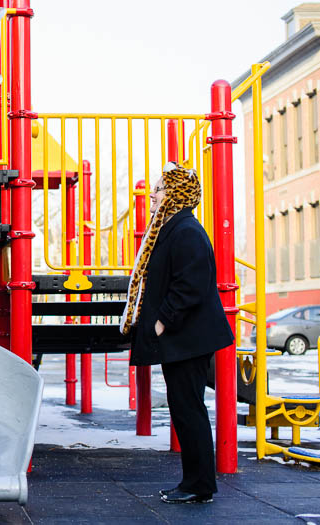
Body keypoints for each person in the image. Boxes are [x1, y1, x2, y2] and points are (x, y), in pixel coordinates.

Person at [120, 162, 233, 504]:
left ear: (174, 195)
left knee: (188, 409)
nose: (152, 193)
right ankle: (195, 482)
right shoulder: (175, 228)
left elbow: (191, 287)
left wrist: (160, 322)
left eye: (159, 188)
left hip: (188, 339)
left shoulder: (185, 231)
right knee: (185, 408)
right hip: (184, 338)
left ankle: (199, 485)